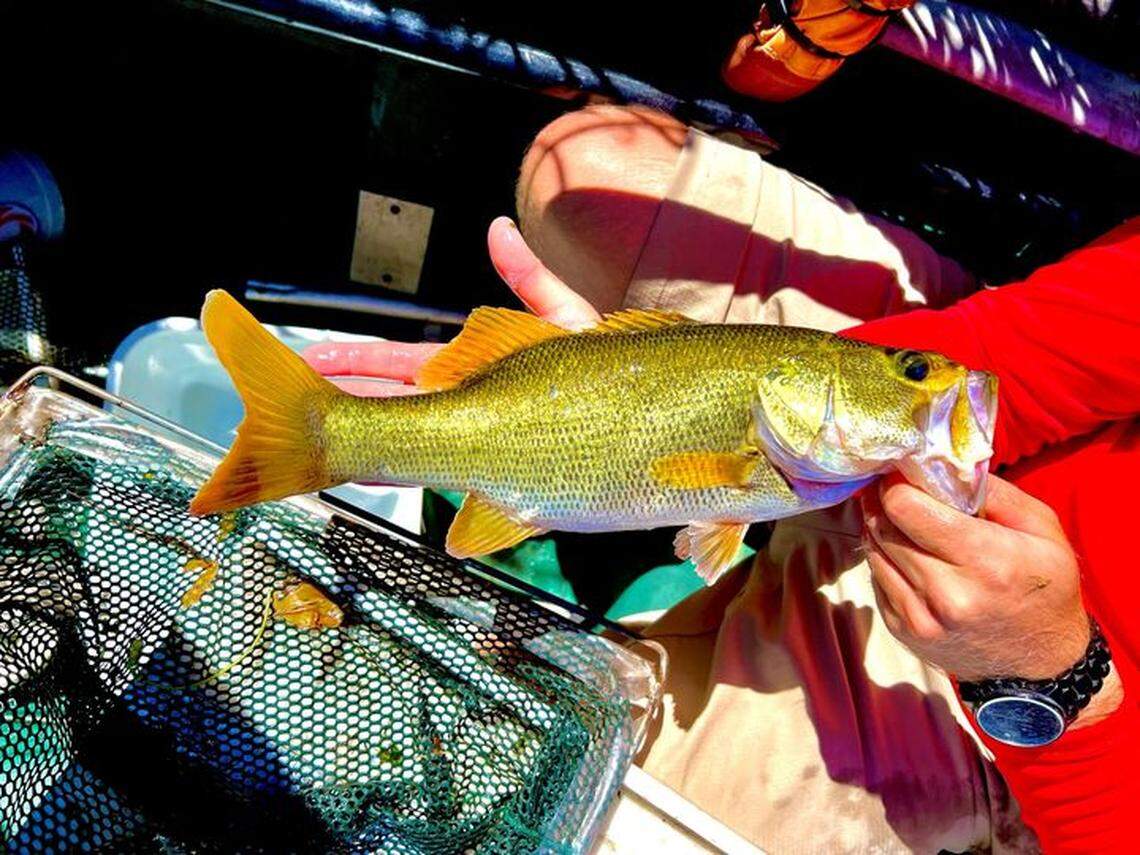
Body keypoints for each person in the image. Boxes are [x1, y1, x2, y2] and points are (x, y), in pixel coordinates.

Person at [304, 105, 1137, 852]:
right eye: (913, 372)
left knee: (592, 812)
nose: (939, 383)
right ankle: (346, 435)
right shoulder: (890, 413)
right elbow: (1039, 342)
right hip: (873, 463)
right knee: (590, 174)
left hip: (1031, 725)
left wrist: (1052, 680)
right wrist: (617, 386)